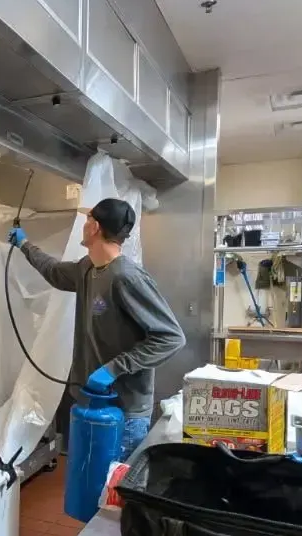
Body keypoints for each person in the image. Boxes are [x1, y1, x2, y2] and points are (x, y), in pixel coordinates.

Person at [9, 196, 185, 458]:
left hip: (124, 413)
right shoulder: (87, 269)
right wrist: (24, 244)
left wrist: (113, 369)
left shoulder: (126, 277)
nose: (84, 224)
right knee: (92, 487)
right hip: (92, 404)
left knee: (113, 492)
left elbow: (171, 337)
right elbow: (55, 272)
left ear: (95, 227)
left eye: (87, 218)